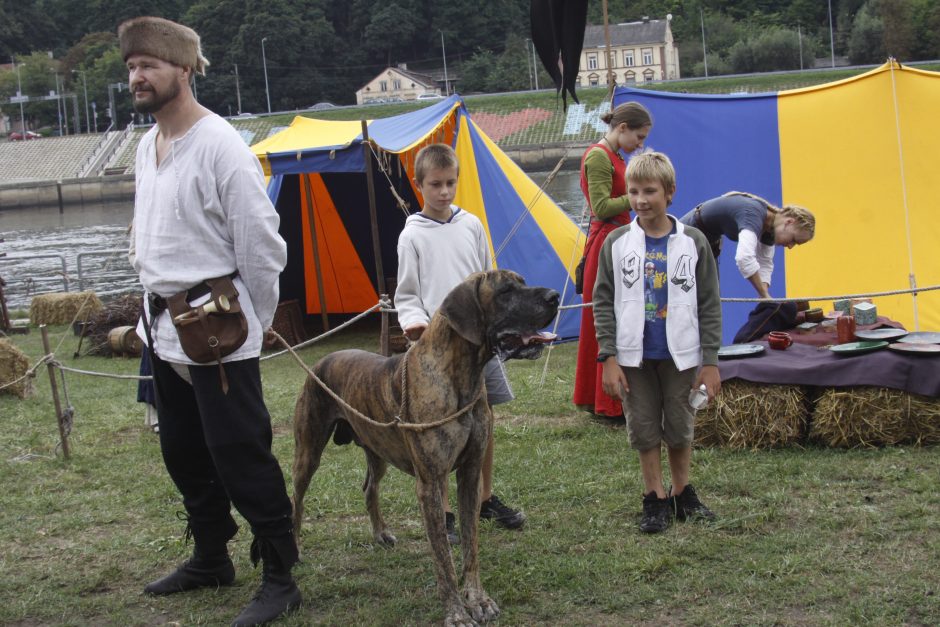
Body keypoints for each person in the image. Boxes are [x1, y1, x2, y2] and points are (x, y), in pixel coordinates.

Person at [120, 16, 300, 625]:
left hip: (219, 330)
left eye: (149, 65)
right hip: (163, 325)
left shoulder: (221, 146)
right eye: (132, 67)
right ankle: (211, 557)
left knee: (240, 454)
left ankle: (280, 574)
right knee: (183, 452)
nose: (137, 77)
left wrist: (256, 321)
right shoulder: (148, 145)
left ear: (185, 69)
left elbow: (262, 248)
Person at [395, 143, 526, 544]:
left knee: (482, 419)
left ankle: (484, 498)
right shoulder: (411, 235)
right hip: (438, 352)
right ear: (420, 186)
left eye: (451, 183)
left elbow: (490, 284)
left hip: (479, 345)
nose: (444, 192)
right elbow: (407, 294)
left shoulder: (471, 225)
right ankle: (447, 511)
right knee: (441, 429)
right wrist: (416, 324)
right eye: (435, 184)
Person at [593, 152, 722, 534]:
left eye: (649, 191)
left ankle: (683, 492)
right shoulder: (616, 243)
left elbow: (709, 303)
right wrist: (608, 356)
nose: (641, 200)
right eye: (633, 192)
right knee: (644, 427)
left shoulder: (694, 242)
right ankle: (654, 497)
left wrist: (710, 359)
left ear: (670, 192)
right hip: (634, 357)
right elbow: (603, 301)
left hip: (681, 355)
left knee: (680, 425)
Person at [573, 102, 653, 419]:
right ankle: (605, 402)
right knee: (604, 320)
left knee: (624, 318)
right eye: (639, 136)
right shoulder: (598, 156)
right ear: (622, 128)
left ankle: (615, 398)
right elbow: (601, 206)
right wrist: (639, 197)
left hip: (620, 240)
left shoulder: (617, 156)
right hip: (606, 243)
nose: (641, 144)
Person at [678, 192, 815, 298]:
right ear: (789, 222)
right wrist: (764, 294)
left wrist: (764, 295)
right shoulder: (753, 214)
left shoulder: (770, 228)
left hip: (707, 244)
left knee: (709, 306)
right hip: (685, 238)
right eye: (793, 240)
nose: (790, 246)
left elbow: (765, 263)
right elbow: (744, 258)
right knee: (685, 298)